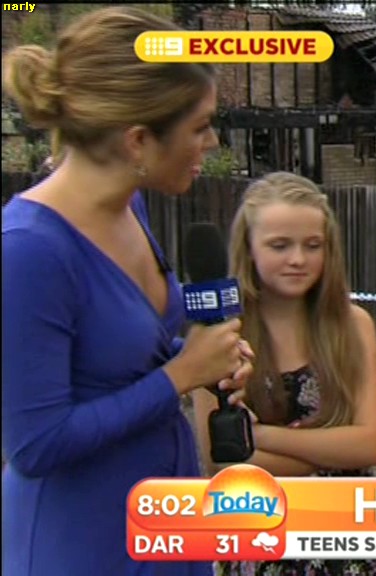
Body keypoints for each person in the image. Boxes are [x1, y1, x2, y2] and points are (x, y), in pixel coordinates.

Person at [1, 7, 251, 576]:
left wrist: (209, 354)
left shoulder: (130, 207)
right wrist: (181, 374)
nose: (212, 142)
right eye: (200, 127)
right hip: (84, 546)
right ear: (138, 140)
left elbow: (120, 342)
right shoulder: (28, 252)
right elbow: (35, 444)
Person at [195, 172, 376, 576]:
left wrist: (258, 437)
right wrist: (325, 459)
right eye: (280, 245)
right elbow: (222, 462)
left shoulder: (353, 325)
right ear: (249, 248)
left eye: (312, 245)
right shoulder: (220, 335)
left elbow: (371, 444)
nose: (298, 259)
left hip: (349, 538)